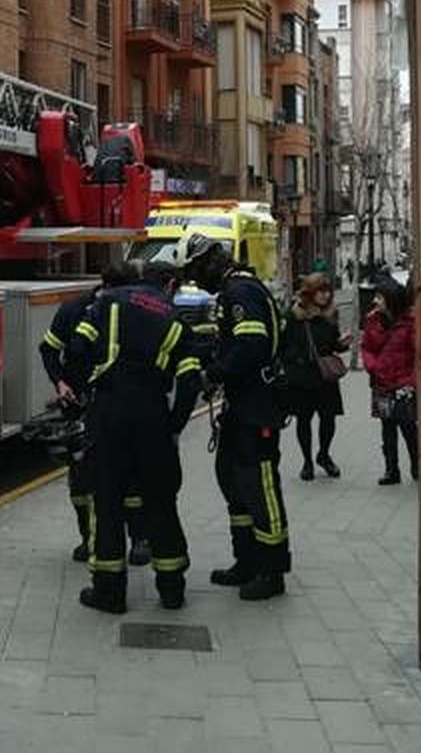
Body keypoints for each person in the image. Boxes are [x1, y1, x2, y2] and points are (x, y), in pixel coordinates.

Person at [64, 258, 196, 614]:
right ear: (168, 286)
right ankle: (171, 589)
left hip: (109, 413)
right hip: (152, 414)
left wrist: (88, 390)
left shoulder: (109, 302)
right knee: (161, 503)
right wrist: (174, 424)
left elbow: (74, 350)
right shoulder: (174, 319)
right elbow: (190, 379)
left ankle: (109, 592)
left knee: (106, 501)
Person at [178, 233, 290, 601]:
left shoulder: (240, 293)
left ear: (213, 259)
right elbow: (230, 343)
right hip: (242, 406)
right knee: (232, 479)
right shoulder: (234, 292)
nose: (197, 279)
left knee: (259, 486)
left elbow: (252, 347)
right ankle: (247, 561)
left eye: (197, 269)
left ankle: (272, 570)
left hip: (257, 406)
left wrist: (216, 373)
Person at [38, 264, 150, 567]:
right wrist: (60, 382)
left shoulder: (135, 312)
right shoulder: (74, 310)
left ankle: (139, 538)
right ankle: (88, 538)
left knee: (130, 474)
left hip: (118, 402)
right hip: (81, 401)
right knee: (81, 477)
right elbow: (49, 349)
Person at [281, 274, 351, 482]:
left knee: (328, 418)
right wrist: (293, 362)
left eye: (327, 291)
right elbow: (282, 345)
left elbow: (332, 344)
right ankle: (307, 461)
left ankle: (323, 454)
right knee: (304, 420)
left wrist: (342, 344)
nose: (326, 295)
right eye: (321, 291)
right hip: (302, 376)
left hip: (325, 376)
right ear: (310, 293)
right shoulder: (294, 315)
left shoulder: (330, 315)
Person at [361, 279, 418, 484]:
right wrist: (373, 367)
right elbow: (367, 347)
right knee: (387, 427)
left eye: (379, 297)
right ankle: (391, 470)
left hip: (403, 383)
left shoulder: (410, 323)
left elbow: (417, 353)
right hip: (381, 382)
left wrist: (412, 380)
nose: (375, 301)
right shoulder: (373, 321)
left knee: (408, 426)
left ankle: (416, 465)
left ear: (392, 300)